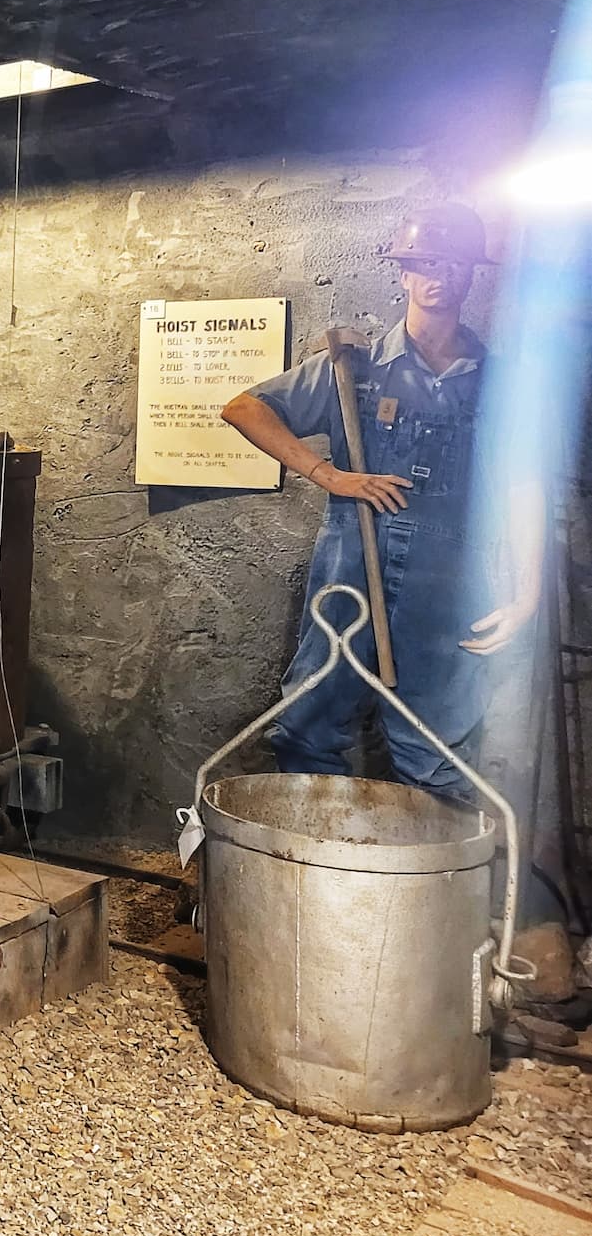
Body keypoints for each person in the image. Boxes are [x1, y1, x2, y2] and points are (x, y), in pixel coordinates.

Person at [220, 204, 540, 799]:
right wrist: (328, 474)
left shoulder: (499, 382)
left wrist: (528, 592)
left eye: (454, 262)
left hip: (445, 586)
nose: (438, 275)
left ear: (473, 273)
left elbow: (525, 486)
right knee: (307, 728)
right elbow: (243, 408)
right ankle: (319, 875)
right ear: (403, 274)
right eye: (423, 263)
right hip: (348, 571)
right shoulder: (355, 372)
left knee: (438, 753)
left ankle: (425, 887)